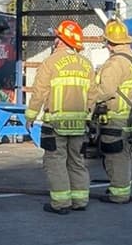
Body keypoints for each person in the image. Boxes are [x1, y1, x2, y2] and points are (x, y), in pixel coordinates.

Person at [25, 20, 93, 214]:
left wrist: (30, 116)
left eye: (57, 37)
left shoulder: (51, 62)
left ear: (61, 40)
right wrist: (87, 115)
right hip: (79, 124)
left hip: (56, 123)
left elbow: (39, 92)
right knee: (76, 161)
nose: (54, 40)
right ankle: (80, 201)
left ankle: (61, 203)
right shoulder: (86, 64)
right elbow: (93, 94)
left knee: (55, 162)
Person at [90, 19, 132, 204]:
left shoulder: (115, 63)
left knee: (115, 156)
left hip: (115, 117)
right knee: (124, 154)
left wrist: (88, 101)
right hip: (130, 116)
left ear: (109, 43)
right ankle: (119, 188)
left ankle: (119, 194)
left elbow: (105, 91)